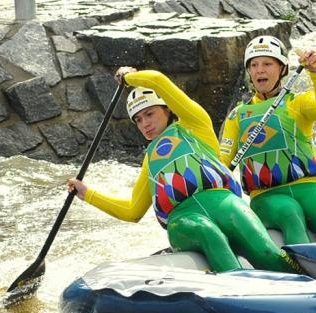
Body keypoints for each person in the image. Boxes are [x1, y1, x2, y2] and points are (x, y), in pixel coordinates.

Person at [67, 67, 302, 274]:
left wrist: (131, 78)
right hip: (183, 221)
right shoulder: (150, 160)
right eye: (138, 120)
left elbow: (158, 80)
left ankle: (305, 282)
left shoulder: (195, 123)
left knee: (265, 252)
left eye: (150, 113)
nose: (145, 124)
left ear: (167, 110)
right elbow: (132, 212)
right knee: (208, 233)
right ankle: (240, 288)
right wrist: (86, 194)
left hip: (225, 203)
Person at [219, 35, 316, 246]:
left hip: (309, 188)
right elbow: (223, 161)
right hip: (265, 197)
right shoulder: (237, 116)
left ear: (283, 69)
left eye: (267, 64)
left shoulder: (297, 103)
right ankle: (303, 272)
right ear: (249, 72)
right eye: (254, 65)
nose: (260, 70)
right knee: (289, 211)